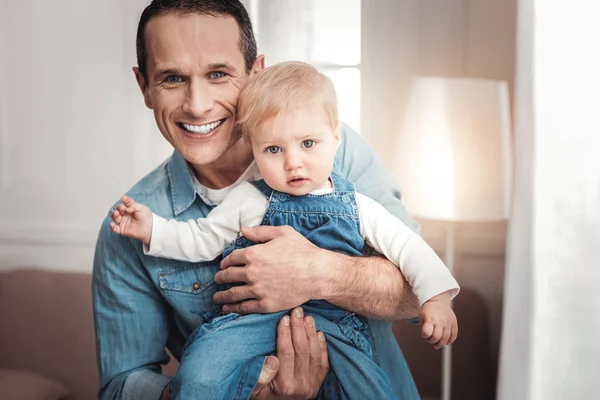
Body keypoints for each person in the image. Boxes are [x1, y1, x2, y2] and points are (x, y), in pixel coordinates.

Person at [92, 1, 432, 399]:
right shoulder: (130, 226)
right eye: (172, 78)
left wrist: (317, 272)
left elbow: (416, 293)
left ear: (256, 73)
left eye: (218, 73)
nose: (197, 104)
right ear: (145, 87)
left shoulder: (332, 152)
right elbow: (120, 385)